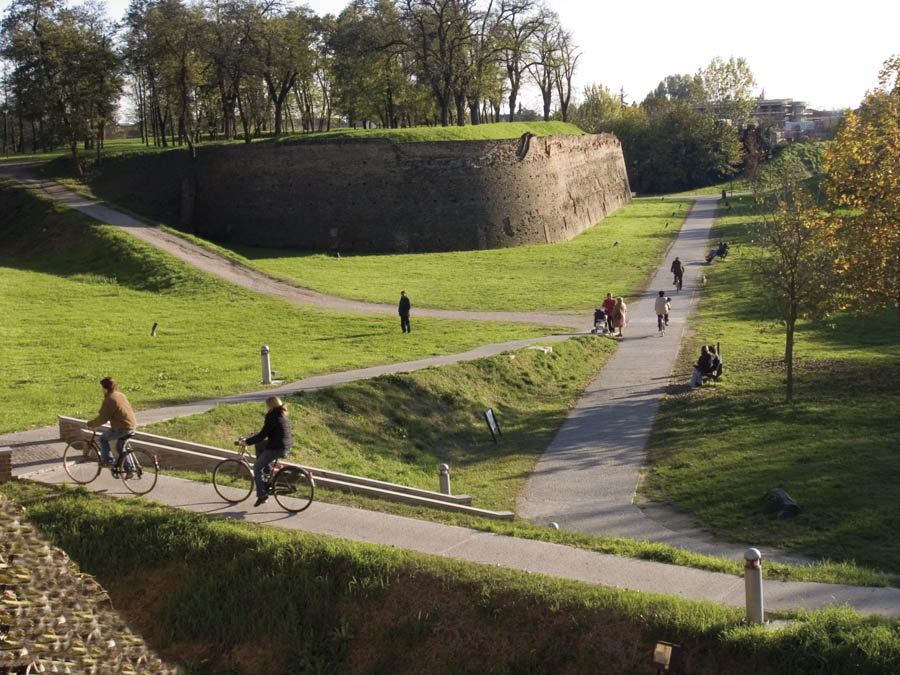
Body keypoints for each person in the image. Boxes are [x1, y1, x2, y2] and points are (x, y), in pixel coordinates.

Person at [241, 396, 294, 507]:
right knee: (259, 445)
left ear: (270, 406)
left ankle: (262, 495)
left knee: (256, 468)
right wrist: (257, 436)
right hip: (286, 446)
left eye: (266, 406)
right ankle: (266, 471)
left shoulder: (272, 416)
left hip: (277, 447)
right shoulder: (282, 415)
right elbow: (268, 432)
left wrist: (247, 442)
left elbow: (263, 435)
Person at [86, 377, 137, 468]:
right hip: (131, 426)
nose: (101, 390)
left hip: (122, 428)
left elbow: (103, 419)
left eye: (102, 387)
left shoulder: (109, 399)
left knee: (103, 439)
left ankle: (108, 461)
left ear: (105, 388)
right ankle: (129, 469)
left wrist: (90, 424)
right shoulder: (120, 394)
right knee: (120, 447)